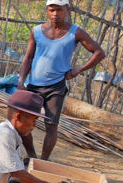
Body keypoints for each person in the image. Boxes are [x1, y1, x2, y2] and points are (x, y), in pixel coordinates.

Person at [17, 0, 104, 160]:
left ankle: (43, 161)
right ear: (47, 11)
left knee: (51, 125)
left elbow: (99, 52)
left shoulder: (75, 33)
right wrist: (21, 80)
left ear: (67, 9)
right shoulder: (37, 31)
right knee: (23, 122)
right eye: (52, 10)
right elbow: (28, 58)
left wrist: (78, 70)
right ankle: (32, 156)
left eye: (59, 10)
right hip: (33, 85)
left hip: (56, 87)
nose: (55, 14)